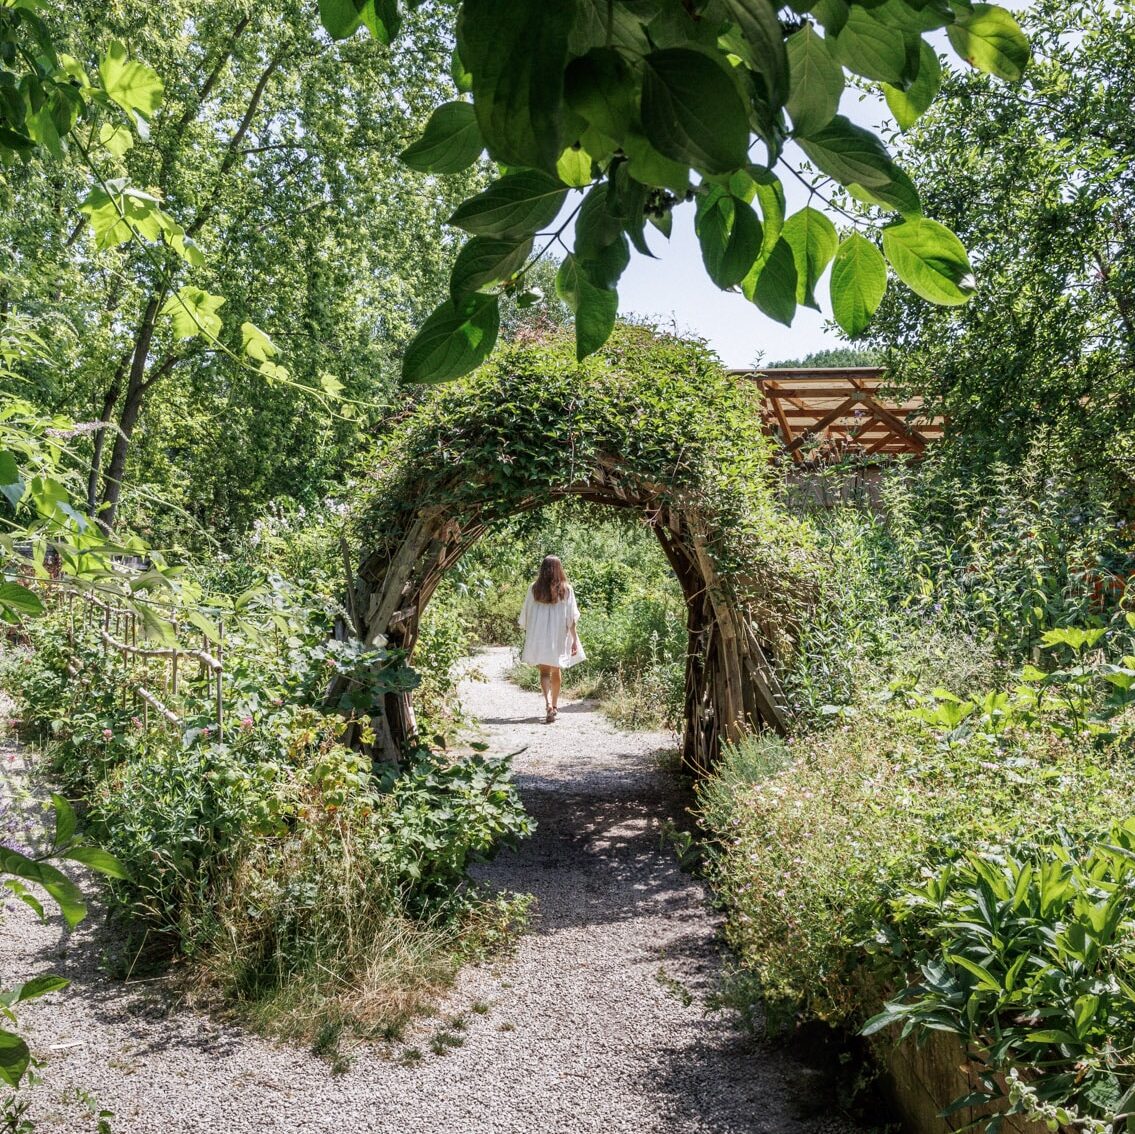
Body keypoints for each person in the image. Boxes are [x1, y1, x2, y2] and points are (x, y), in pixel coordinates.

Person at [518, 554, 584, 723]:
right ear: (559, 569)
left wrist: (529, 632)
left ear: (543, 569)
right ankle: (554, 706)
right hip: (558, 636)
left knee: (544, 671)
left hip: (540, 635)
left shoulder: (534, 588)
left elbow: (527, 612)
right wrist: (574, 640)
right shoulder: (566, 589)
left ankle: (547, 704)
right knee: (556, 670)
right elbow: (571, 618)